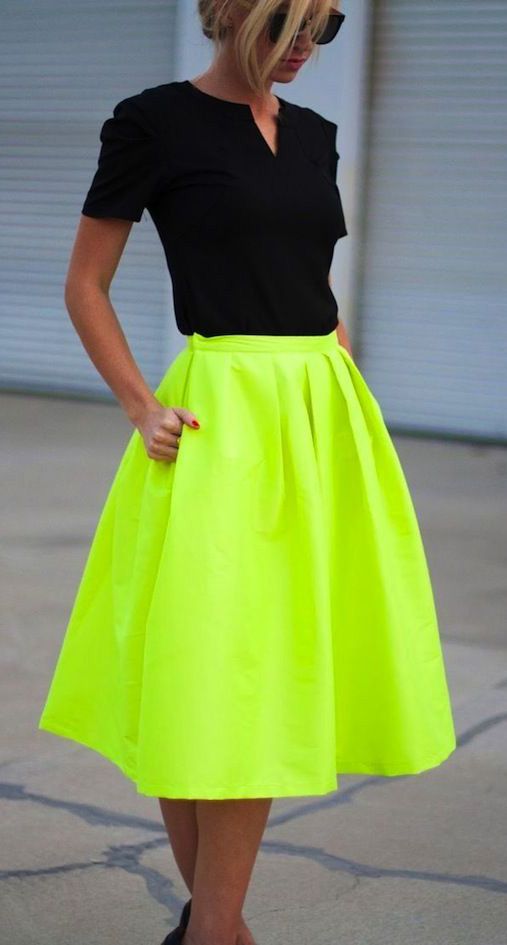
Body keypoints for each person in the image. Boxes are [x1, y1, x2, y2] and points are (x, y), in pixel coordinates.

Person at [37, 2, 457, 944]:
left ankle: (211, 926)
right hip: (217, 421)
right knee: (210, 675)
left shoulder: (314, 134)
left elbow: (307, 277)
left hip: (319, 416)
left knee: (253, 674)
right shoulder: (151, 122)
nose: (303, 48)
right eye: (286, 25)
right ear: (229, 14)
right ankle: (218, 928)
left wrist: (340, 384)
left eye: (324, 28)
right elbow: (84, 284)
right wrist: (140, 404)